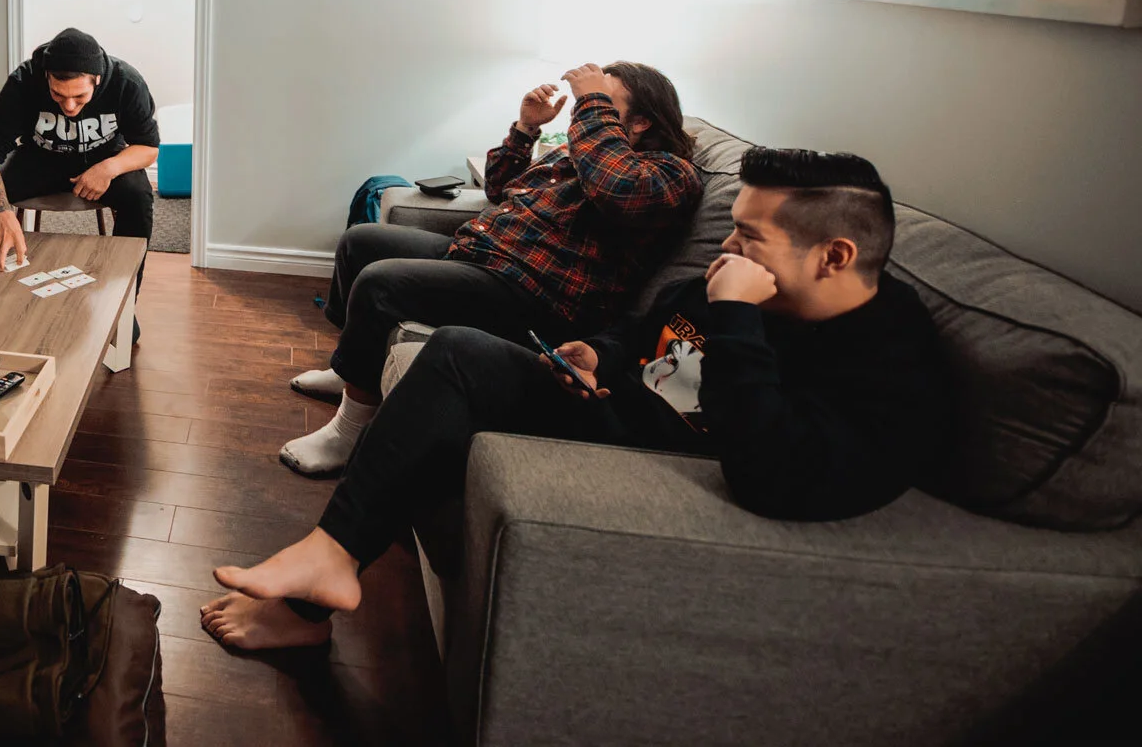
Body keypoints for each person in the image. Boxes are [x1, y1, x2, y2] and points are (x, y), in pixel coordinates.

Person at [199, 148, 952, 652]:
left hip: (667, 464)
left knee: (454, 386)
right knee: (456, 353)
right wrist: (601, 353)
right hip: (615, 407)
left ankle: (311, 599)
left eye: (750, 238)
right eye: (732, 230)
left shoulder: (886, 363)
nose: (728, 250)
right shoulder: (746, 284)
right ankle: (328, 563)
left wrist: (738, 317)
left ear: (835, 256)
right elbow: (645, 327)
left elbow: (771, 469)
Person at [281, 61, 701, 475]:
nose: (586, 110)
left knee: (380, 285)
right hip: (485, 255)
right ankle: (351, 368)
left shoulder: (669, 174)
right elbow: (500, 188)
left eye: (604, 102)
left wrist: (591, 103)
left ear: (642, 121)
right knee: (361, 243)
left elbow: (619, 190)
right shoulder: (586, 153)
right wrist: (526, 128)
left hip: (534, 295)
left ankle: (348, 432)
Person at [0, 27, 159, 273]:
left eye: (79, 96)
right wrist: (2, 213)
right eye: (58, 94)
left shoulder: (126, 83)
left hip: (103, 157)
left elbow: (149, 148)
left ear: (97, 79)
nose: (69, 106)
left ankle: (125, 288)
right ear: (47, 77)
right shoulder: (23, 82)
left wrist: (108, 168)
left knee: (138, 196)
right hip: (39, 159)